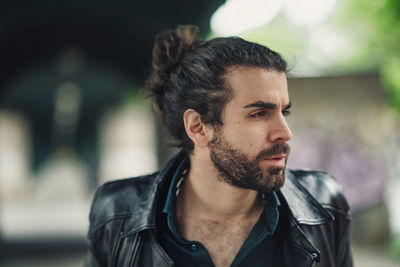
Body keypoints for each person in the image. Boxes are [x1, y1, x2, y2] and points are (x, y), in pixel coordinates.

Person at [85, 25, 353, 267]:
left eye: (284, 112)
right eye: (259, 113)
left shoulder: (325, 206)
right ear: (198, 127)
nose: (285, 132)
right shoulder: (117, 215)